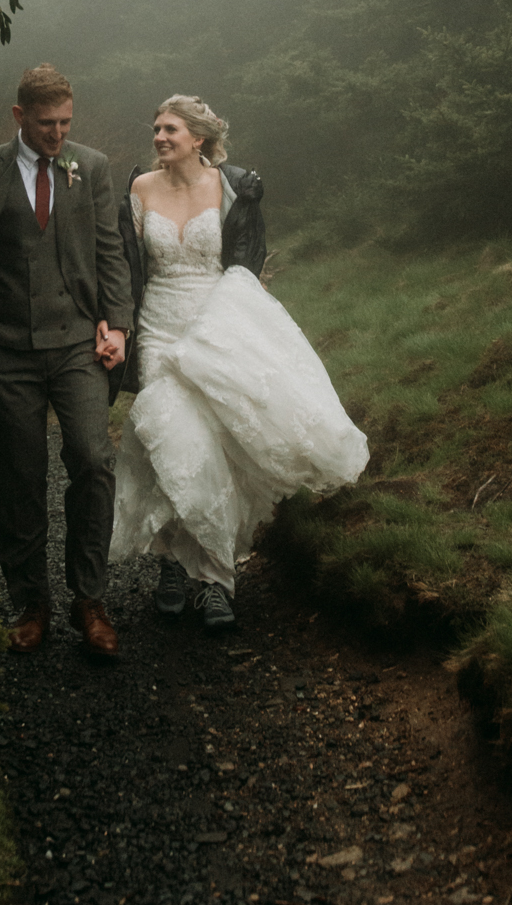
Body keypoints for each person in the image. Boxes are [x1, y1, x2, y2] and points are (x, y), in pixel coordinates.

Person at [110, 94, 368, 631]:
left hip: (217, 325)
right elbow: (125, 264)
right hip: (158, 327)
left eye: (170, 129)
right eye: (156, 128)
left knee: (215, 449)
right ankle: (171, 563)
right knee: (170, 440)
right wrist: (118, 325)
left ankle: (214, 582)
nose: (159, 137)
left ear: (198, 138)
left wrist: (251, 326)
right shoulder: (140, 188)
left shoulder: (233, 187)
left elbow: (246, 262)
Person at [0, 64, 133, 659]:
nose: (57, 134)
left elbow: (110, 251)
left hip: (78, 342)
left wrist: (118, 323)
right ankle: (32, 603)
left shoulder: (90, 166)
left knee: (94, 459)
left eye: (66, 123)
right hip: (6, 350)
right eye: (47, 123)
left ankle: (89, 599)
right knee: (19, 476)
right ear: (20, 116)